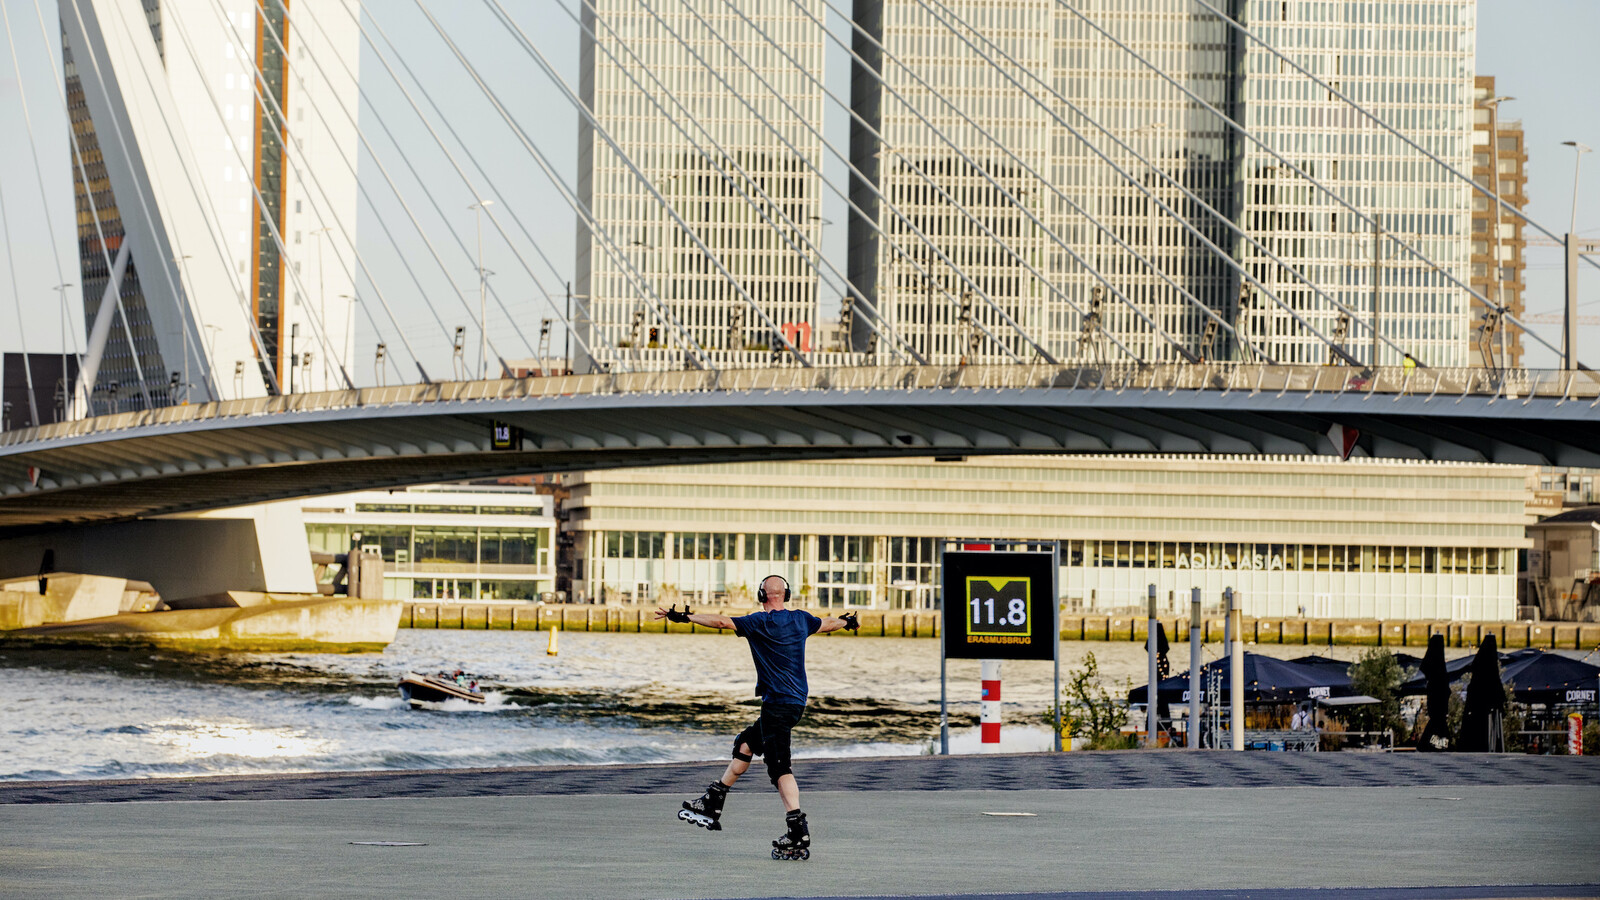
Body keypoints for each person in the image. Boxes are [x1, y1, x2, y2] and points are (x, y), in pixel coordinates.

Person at [656, 574, 858, 860]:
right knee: (745, 745)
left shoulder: (758, 623)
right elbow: (828, 624)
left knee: (780, 769)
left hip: (777, 706)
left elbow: (723, 621)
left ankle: (797, 830)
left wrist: (685, 617)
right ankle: (713, 801)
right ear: (785, 596)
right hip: (793, 704)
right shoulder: (802, 620)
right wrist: (848, 622)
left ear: (762, 596)